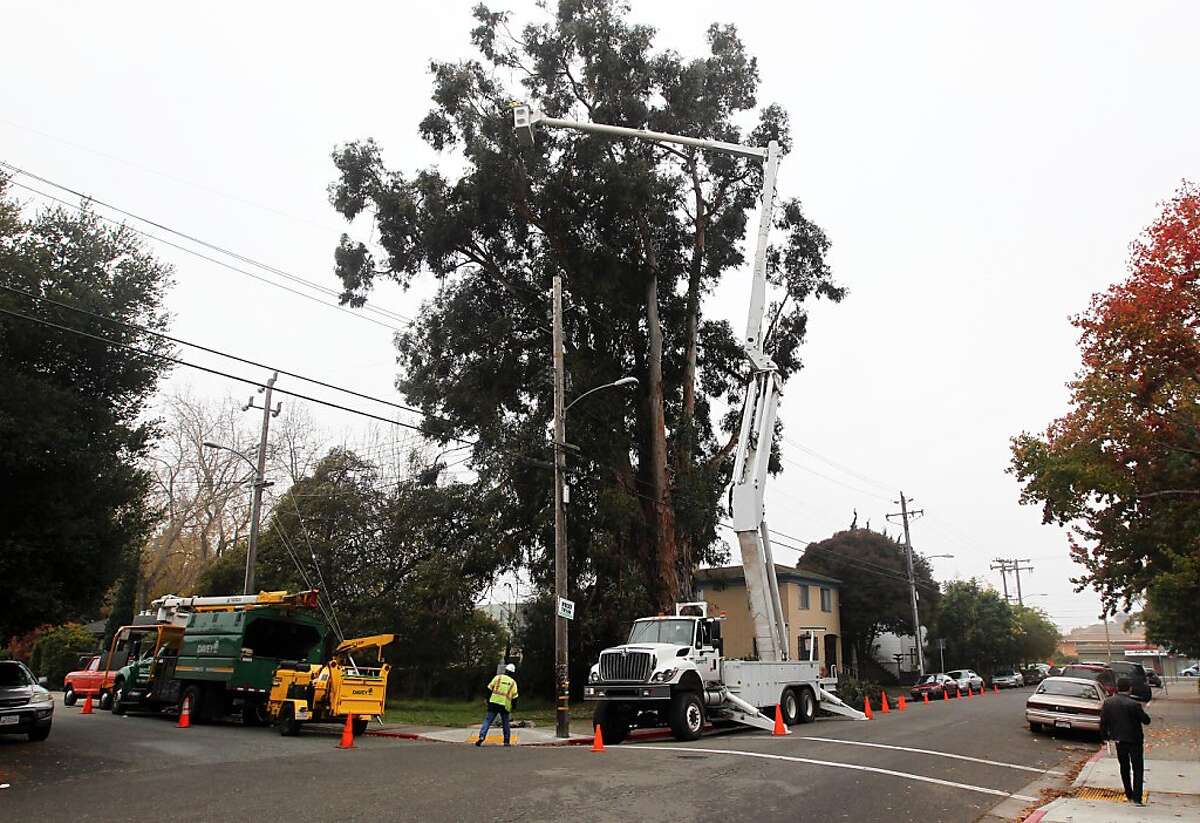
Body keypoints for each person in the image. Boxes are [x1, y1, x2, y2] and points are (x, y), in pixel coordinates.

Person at [1100, 676, 1152, 805]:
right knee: (1137, 768)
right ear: (1130, 689)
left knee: (1124, 767)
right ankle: (1137, 797)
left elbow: (1103, 722)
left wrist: (1105, 737)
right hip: (1135, 740)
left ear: (1118, 688)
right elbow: (1146, 720)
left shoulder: (1108, 703)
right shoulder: (1134, 704)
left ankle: (1128, 793)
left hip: (1119, 739)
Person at [475, 663, 519, 747]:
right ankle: (506, 741)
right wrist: (513, 707)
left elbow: (489, 689)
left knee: (487, 721)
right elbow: (515, 697)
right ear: (513, 673)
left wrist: (486, 699)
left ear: (506, 670)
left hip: (493, 703)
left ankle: (481, 736)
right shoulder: (513, 683)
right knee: (505, 723)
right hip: (505, 706)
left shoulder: (498, 677)